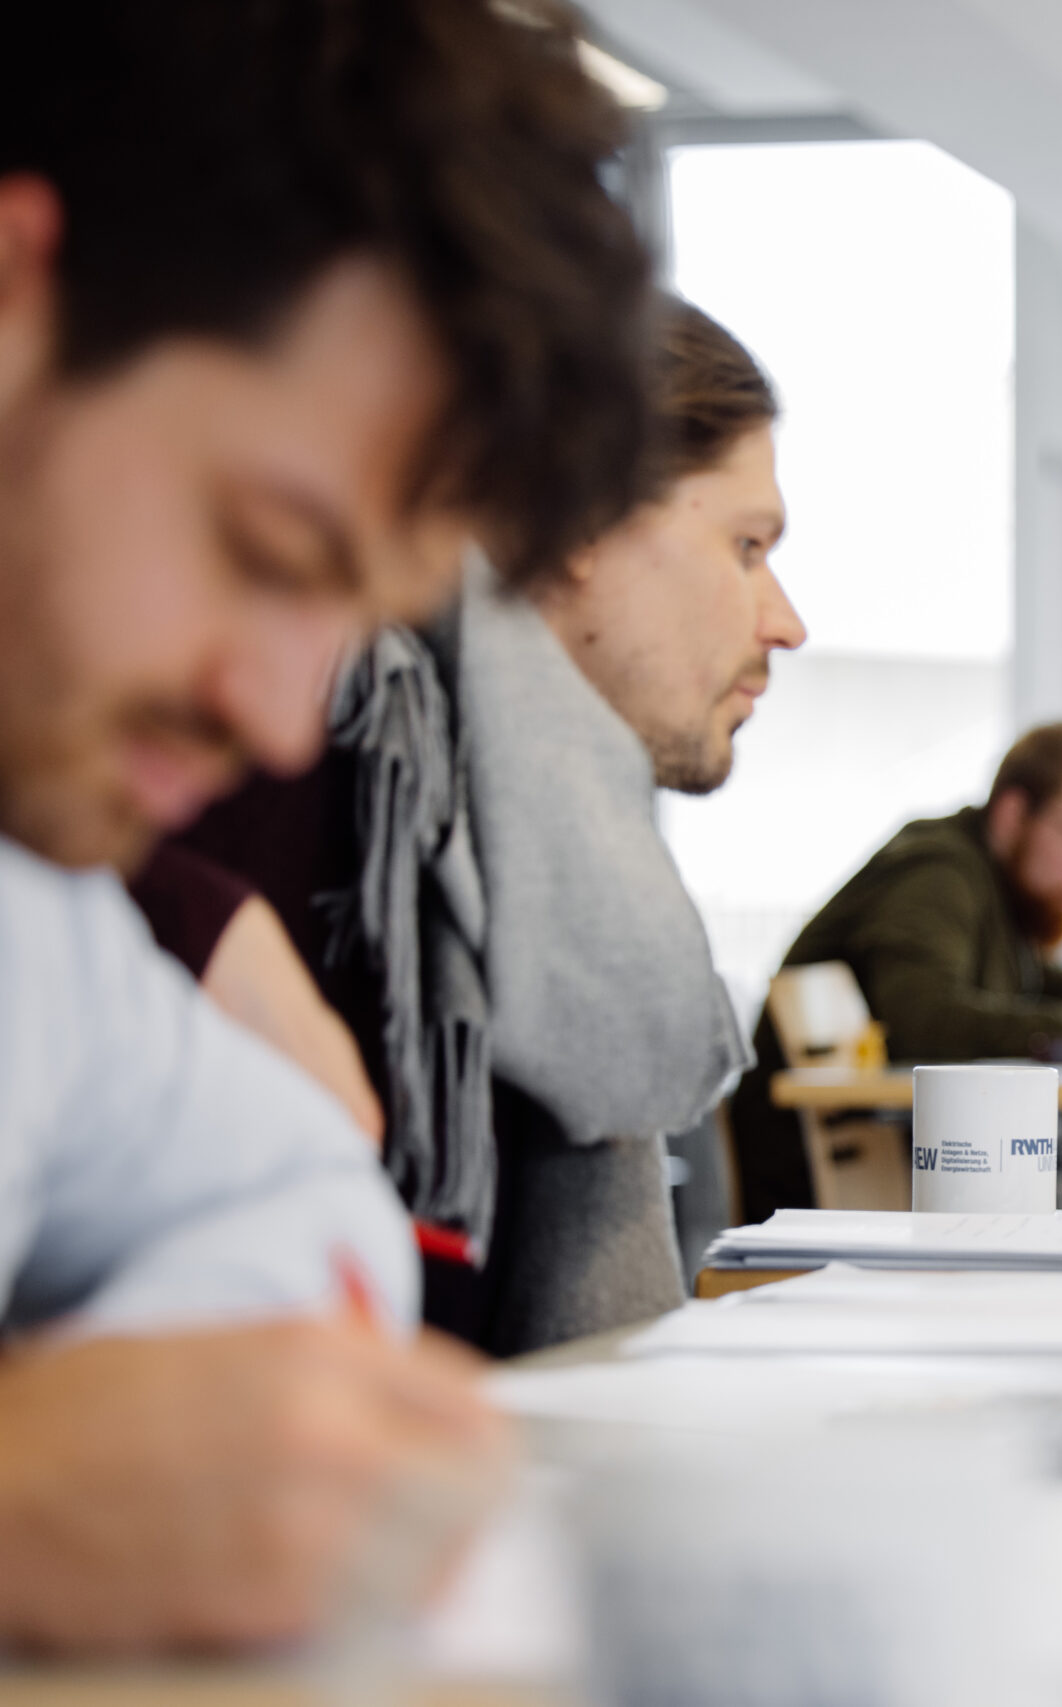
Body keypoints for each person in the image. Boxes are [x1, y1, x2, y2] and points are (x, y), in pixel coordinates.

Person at [0, 0, 654, 1651]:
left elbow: (291, 1195)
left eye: (348, 617)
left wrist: (157, 1447)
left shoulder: (35, 913)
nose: (283, 723)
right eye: (269, 552)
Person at [139, 296, 806, 1354]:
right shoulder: (291, 752)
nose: (786, 622)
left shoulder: (538, 843)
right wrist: (190, 916)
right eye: (746, 545)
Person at [729, 722, 1062, 1220]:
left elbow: (1057, 991)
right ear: (1013, 814)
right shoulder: (940, 872)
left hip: (889, 1178)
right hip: (817, 1195)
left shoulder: (1005, 893)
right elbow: (925, 1019)